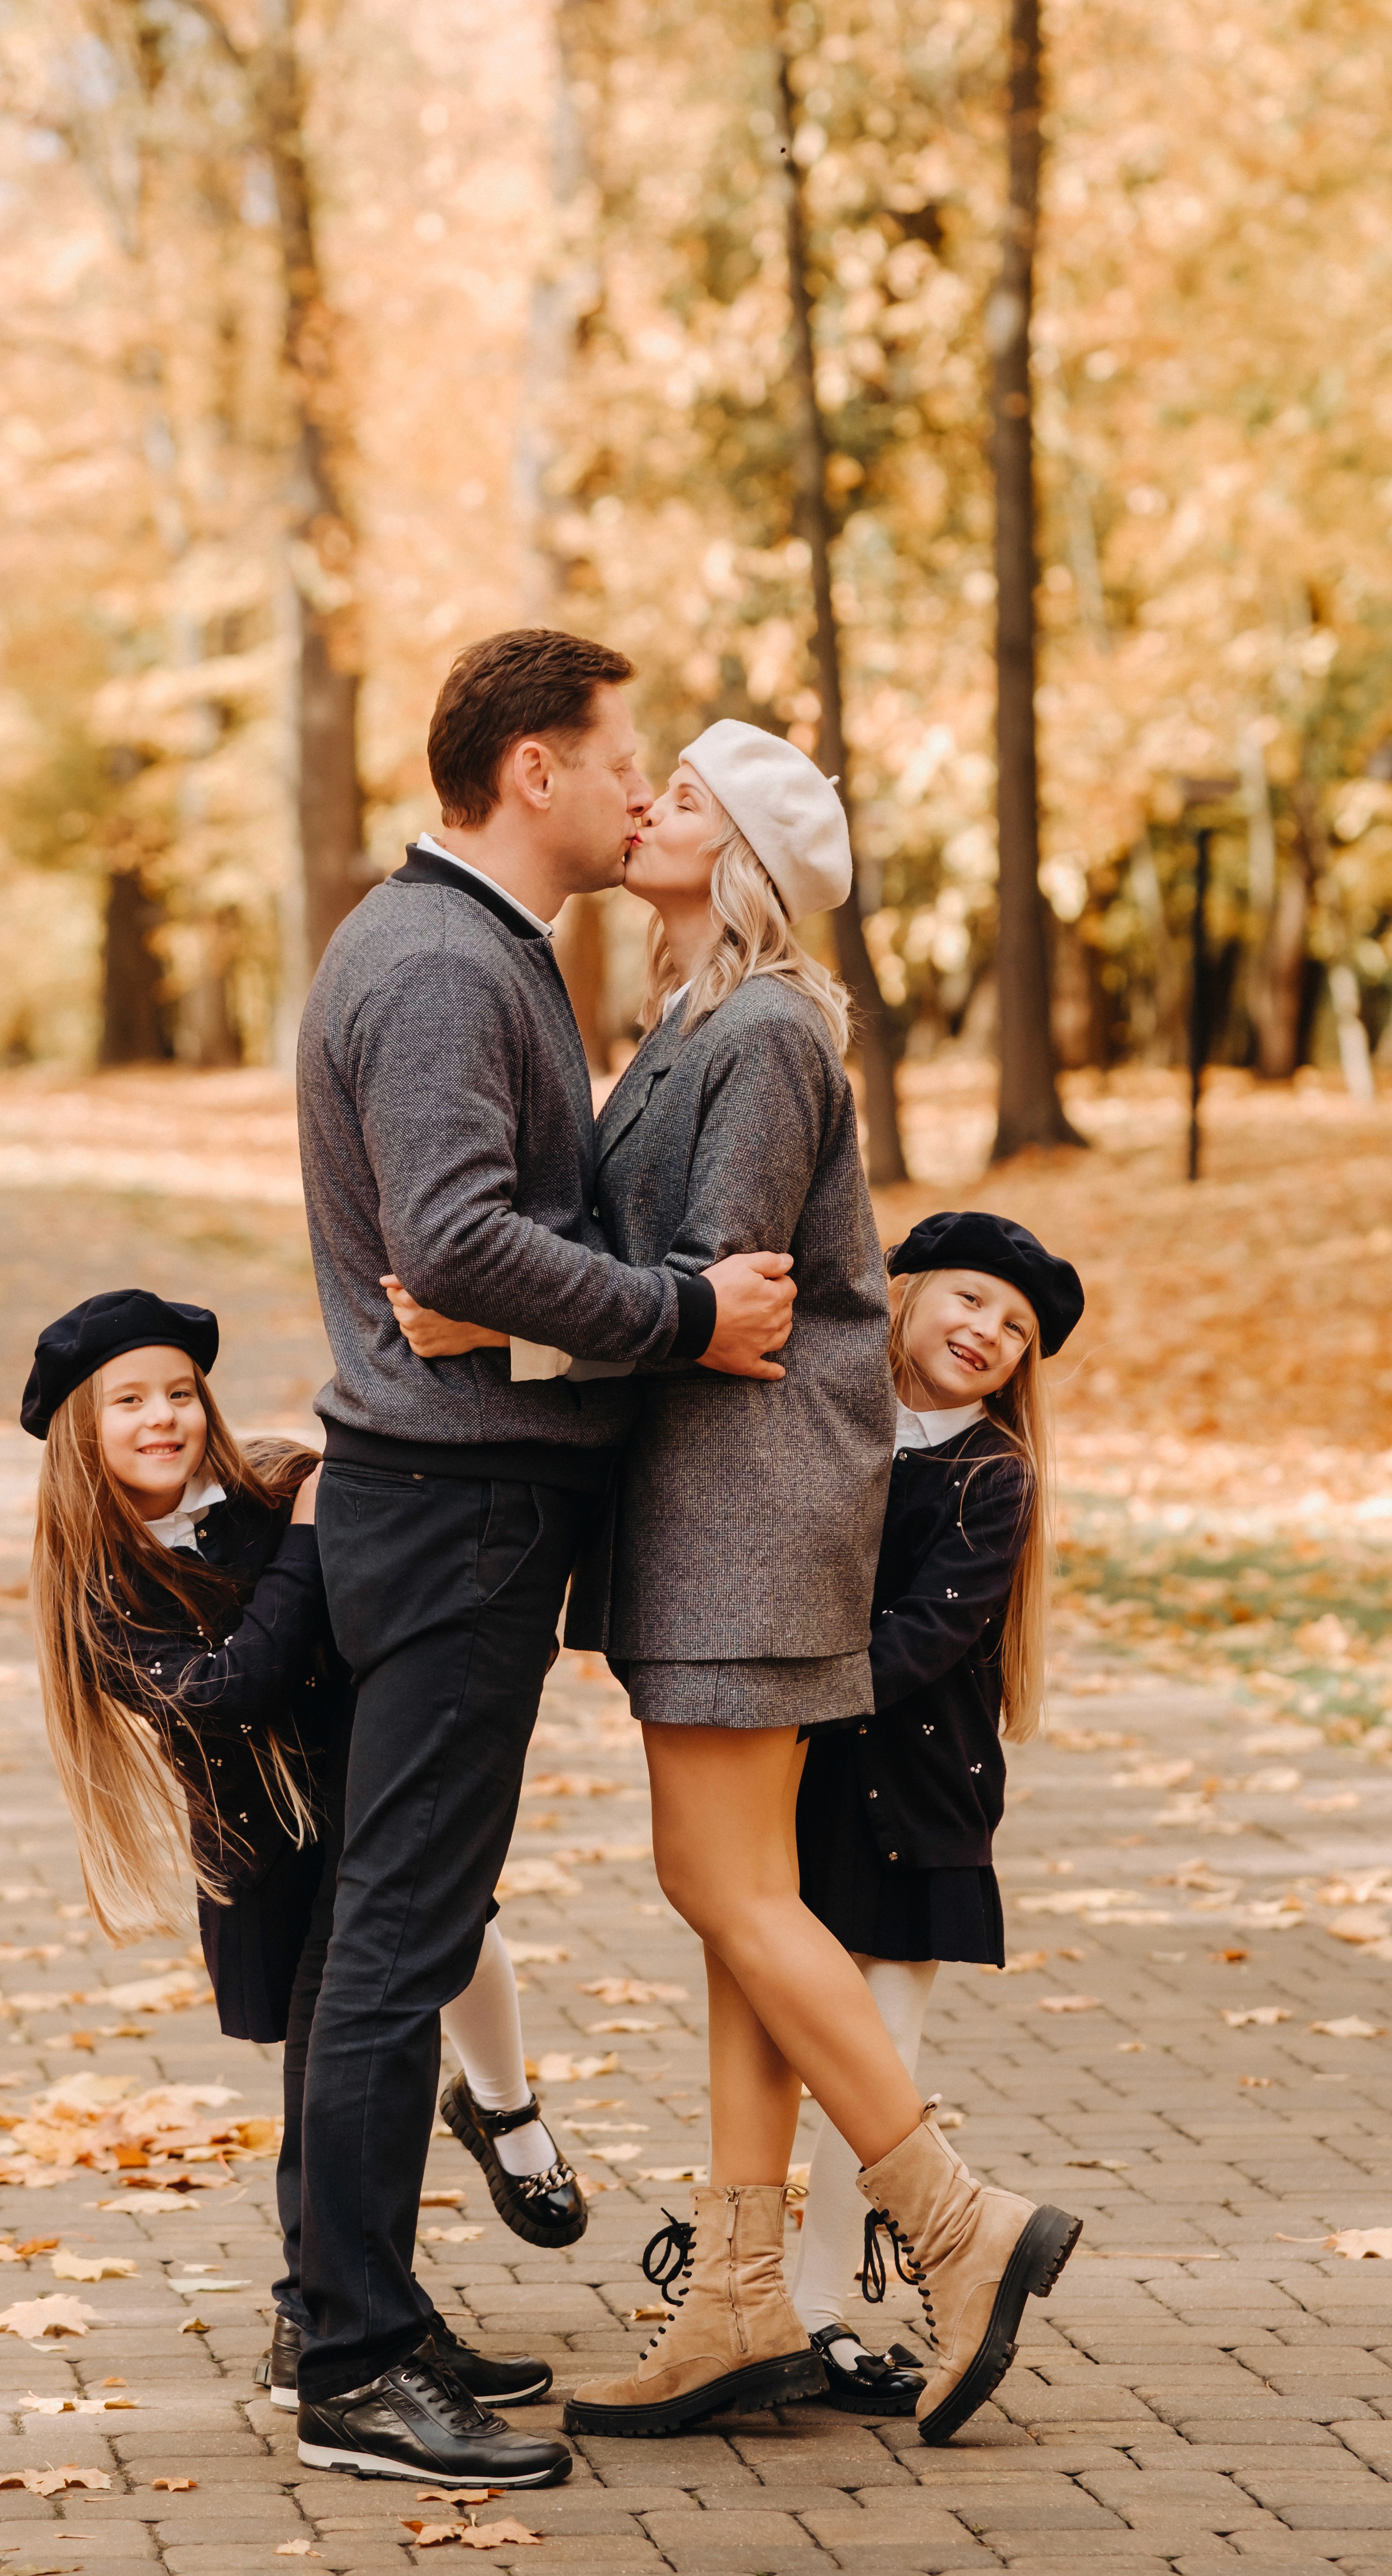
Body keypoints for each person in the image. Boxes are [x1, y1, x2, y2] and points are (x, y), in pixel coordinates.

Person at [388, 724, 1082, 2449]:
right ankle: (740, 2299)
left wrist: (483, 1328)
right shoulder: (689, 1021)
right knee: (738, 1909)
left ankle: (954, 2222)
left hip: (753, 1509)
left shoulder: (765, 1031)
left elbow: (712, 1298)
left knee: (719, 1881)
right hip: (709, 1509)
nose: (646, 808)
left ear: (751, 860)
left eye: (681, 797)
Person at [293, 631, 800, 2490]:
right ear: (530, 771)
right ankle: (350, 2361)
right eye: (615, 759)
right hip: (455, 1504)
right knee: (400, 1929)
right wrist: (678, 1310)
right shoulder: (442, 960)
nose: (631, 787)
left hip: (446, 1488)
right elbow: (453, 1238)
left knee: (384, 1914)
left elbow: (462, 1266)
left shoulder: (452, 944)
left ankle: (345, 2305)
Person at [19, 1287, 582, 2429]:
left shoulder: (275, 1484)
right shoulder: (102, 1588)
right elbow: (232, 1687)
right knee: (330, 2075)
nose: (163, 1416)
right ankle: (321, 2317)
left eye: (180, 1392)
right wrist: (316, 1536)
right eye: (127, 1401)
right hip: (269, 1853)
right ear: (81, 1433)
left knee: (390, 2044)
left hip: (371, 1804)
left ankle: (373, 2307)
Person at [787, 1211, 1083, 2413]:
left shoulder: (990, 1477)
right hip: (798, 1791)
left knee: (874, 2065)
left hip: (917, 1806)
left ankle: (816, 2310)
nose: (987, 1333)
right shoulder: (821, 1428)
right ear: (900, 1295)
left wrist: (772, 1685)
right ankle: (761, 2290)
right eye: (969, 1300)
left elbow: (919, 1640)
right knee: (780, 2043)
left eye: (1013, 1331)